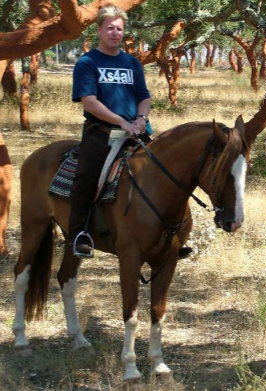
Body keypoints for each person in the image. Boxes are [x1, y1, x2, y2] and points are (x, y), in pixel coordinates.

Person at [70, 5, 152, 257]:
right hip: (102, 131)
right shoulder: (88, 62)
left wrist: (140, 118)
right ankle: (79, 234)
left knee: (165, 171)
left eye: (119, 29)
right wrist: (121, 122)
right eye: (110, 28)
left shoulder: (132, 63)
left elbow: (144, 97)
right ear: (99, 30)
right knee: (87, 177)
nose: (115, 33)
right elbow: (89, 101)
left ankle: (170, 233)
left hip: (136, 131)